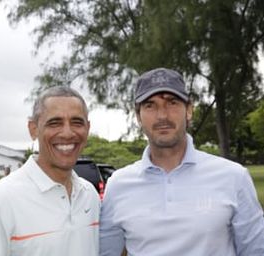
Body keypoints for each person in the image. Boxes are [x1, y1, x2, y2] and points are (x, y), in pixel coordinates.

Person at [99, 68, 264, 256]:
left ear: (189, 110)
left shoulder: (234, 176)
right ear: (138, 116)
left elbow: (256, 250)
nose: (162, 115)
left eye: (172, 102)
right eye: (150, 105)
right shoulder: (118, 184)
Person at [0, 86, 100, 256]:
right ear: (33, 129)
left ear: (87, 128)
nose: (67, 133)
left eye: (77, 122)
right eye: (55, 123)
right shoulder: (0, 199)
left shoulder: (89, 196)